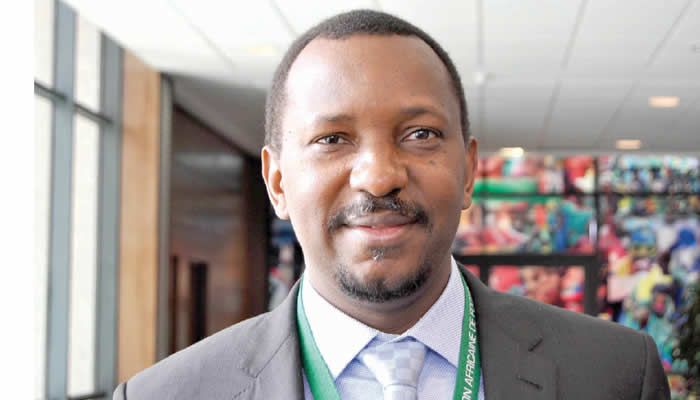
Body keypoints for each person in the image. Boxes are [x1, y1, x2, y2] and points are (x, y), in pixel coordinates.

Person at [114, 9, 670, 400]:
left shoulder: (616, 375)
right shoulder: (164, 395)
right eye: (332, 139)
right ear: (277, 182)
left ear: (469, 170)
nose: (379, 177)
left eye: (420, 134)